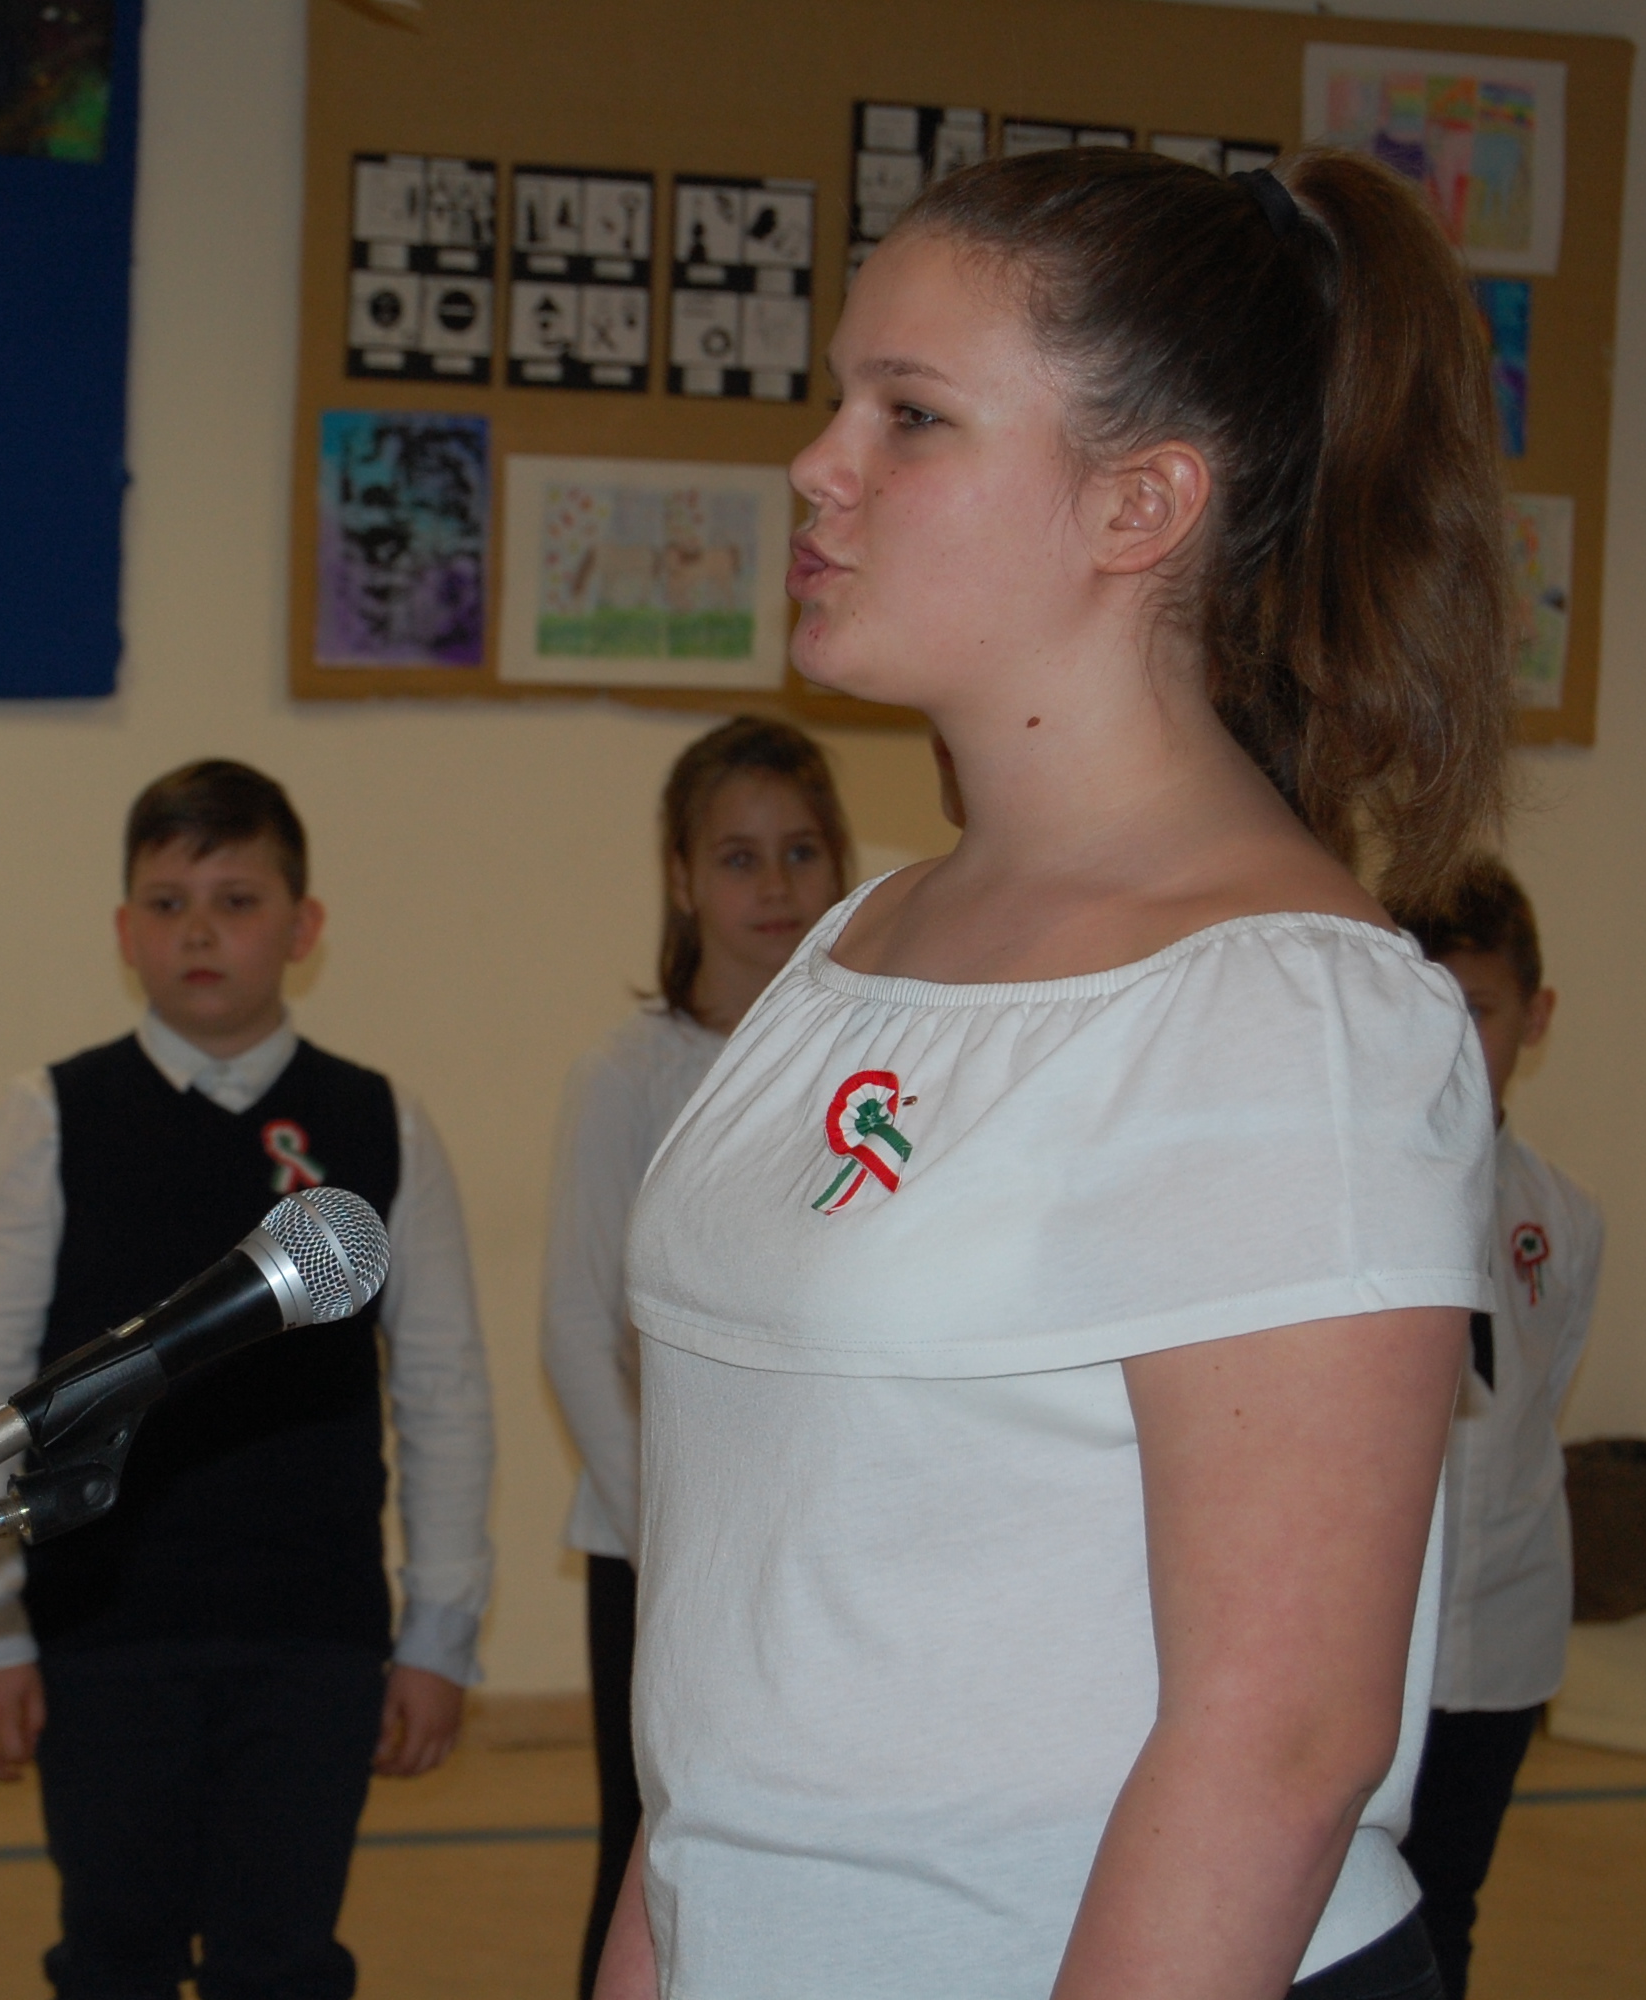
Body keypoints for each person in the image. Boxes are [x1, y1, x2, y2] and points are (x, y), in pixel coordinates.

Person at [603, 146, 1515, 2000]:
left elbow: (1280, 1747)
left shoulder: (1285, 1013)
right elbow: (736, 1654)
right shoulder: (852, 951)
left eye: (910, 415)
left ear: (1138, 505)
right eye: (837, 401)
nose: (818, 464)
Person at [0, 758, 494, 2000]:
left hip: (314, 1631)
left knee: (279, 1959)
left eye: (235, 900)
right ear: (123, 930)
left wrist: (441, 1629)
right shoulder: (49, 1114)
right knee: (113, 1952)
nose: (198, 931)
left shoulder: (379, 1118)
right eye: (167, 902)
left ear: (302, 924)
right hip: (104, 1630)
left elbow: (442, 1386)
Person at [541, 715, 850, 2000]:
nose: (772, 884)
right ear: (680, 878)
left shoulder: (871, 1064)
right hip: (658, 1551)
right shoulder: (628, 1076)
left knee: (822, 1847)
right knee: (653, 1855)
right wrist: (672, 1536)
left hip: (830, 1546)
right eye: (736, 856)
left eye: (799, 850)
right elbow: (575, 1330)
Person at [1389, 859, 1600, 1998]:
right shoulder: (1353, 1192)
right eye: (1424, 1006)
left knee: (1448, 1902)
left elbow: (1533, 1401)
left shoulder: (1562, 1216)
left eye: (1476, 1009)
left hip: (1505, 1628)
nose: (1452, 1040)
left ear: (1535, 1014)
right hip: (1378, 1635)